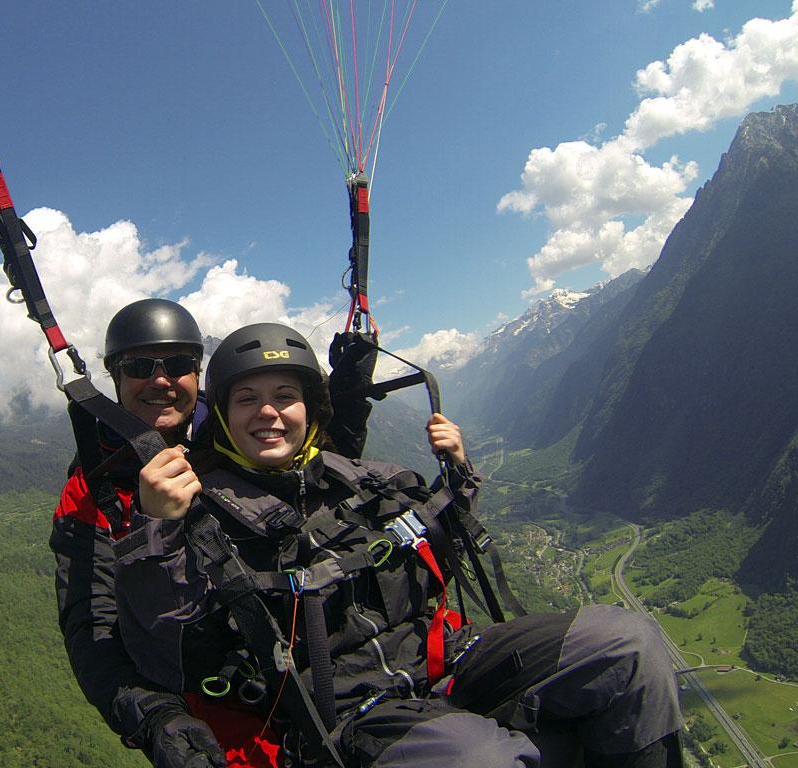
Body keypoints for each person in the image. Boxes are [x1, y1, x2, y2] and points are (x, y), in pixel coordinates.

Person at [121, 322, 685, 768]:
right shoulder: (199, 513)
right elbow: (171, 647)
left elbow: (443, 552)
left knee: (626, 643)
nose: (269, 412)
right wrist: (158, 528)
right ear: (222, 416)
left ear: (309, 409)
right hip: (348, 710)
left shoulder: (364, 479)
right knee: (476, 759)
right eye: (247, 399)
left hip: (444, 657)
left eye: (285, 396)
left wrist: (459, 476)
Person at [49, 300, 378, 767]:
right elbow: (92, 624)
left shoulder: (236, 429)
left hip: (322, 666)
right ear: (115, 378)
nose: (160, 381)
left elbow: (317, 478)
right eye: (140, 367)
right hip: (218, 692)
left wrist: (349, 396)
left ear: (198, 374)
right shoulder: (95, 489)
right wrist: (156, 717)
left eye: (177, 365)